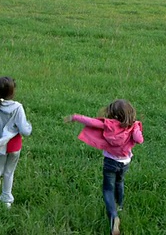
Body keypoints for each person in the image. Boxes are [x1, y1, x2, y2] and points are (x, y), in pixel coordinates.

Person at [64, 99, 144, 235]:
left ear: (112, 113)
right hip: (124, 162)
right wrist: (136, 127)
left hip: (110, 162)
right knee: (120, 182)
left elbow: (91, 121)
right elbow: (139, 139)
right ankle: (119, 206)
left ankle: (113, 216)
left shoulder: (109, 124)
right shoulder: (132, 126)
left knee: (108, 189)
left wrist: (75, 117)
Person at [0, 76, 32, 208]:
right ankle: (6, 200)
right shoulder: (18, 107)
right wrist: (29, 126)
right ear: (13, 92)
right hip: (14, 146)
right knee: (9, 172)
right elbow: (25, 131)